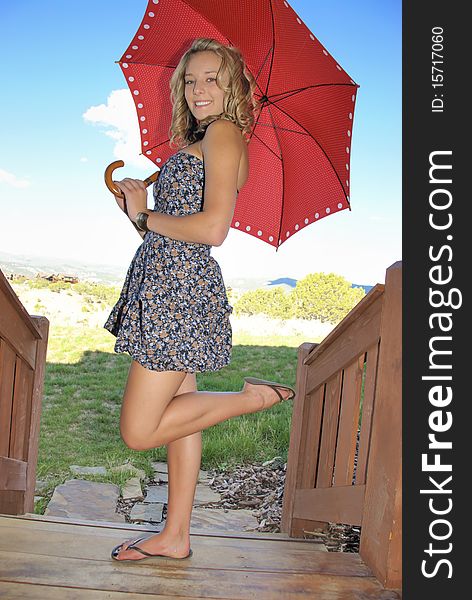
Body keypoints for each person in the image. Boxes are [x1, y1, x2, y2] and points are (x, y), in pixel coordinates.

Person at [104, 38, 295, 562]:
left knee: (140, 430)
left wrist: (146, 217)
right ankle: (175, 535)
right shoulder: (204, 139)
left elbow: (212, 229)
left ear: (233, 86)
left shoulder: (226, 133)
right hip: (168, 281)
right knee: (181, 416)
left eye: (212, 78)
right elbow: (172, 232)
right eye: (190, 80)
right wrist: (137, 210)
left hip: (180, 296)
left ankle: (252, 398)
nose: (198, 89)